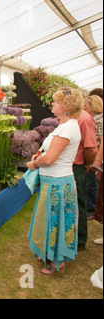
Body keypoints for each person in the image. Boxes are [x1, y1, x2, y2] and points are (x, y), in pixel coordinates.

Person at [26, 88, 82, 275]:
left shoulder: (67, 127)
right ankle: (48, 253)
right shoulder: (66, 124)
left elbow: (50, 159)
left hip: (57, 183)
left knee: (54, 221)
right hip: (55, 181)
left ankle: (55, 259)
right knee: (48, 220)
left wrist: (34, 163)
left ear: (67, 106)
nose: (52, 105)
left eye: (56, 102)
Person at [73, 92, 98, 250]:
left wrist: (86, 164)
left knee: (79, 202)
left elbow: (91, 148)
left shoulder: (84, 118)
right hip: (68, 166)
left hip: (77, 166)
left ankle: (80, 240)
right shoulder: (72, 116)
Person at [84, 95, 103, 220]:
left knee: (91, 184)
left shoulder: (99, 121)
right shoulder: (93, 119)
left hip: (96, 158)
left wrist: (97, 161)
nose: (84, 107)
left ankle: (90, 210)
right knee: (89, 183)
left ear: (93, 106)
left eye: (86, 105)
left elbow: (102, 142)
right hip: (93, 157)